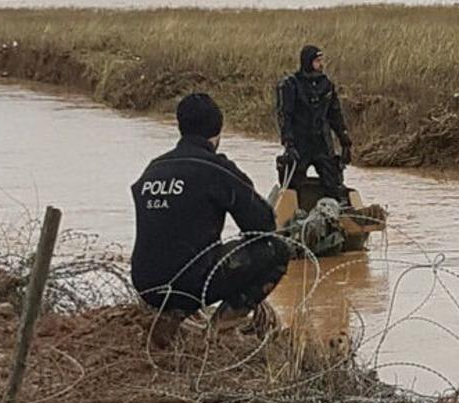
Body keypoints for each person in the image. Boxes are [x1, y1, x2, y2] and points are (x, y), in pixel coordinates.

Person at [130, 93, 290, 347]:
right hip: (191, 281)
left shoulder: (153, 169)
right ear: (217, 132)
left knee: (182, 258)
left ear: (181, 127)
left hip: (146, 283)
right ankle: (221, 331)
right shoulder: (216, 168)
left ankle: (171, 316)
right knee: (277, 249)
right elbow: (262, 225)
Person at [276, 45, 352, 204]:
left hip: (322, 144)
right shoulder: (291, 85)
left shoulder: (327, 85)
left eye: (321, 61)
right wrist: (288, 143)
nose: (321, 64)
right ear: (308, 62)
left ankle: (336, 213)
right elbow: (285, 116)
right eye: (317, 61)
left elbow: (335, 115)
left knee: (334, 184)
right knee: (292, 185)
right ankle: (292, 217)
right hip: (299, 143)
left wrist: (345, 142)